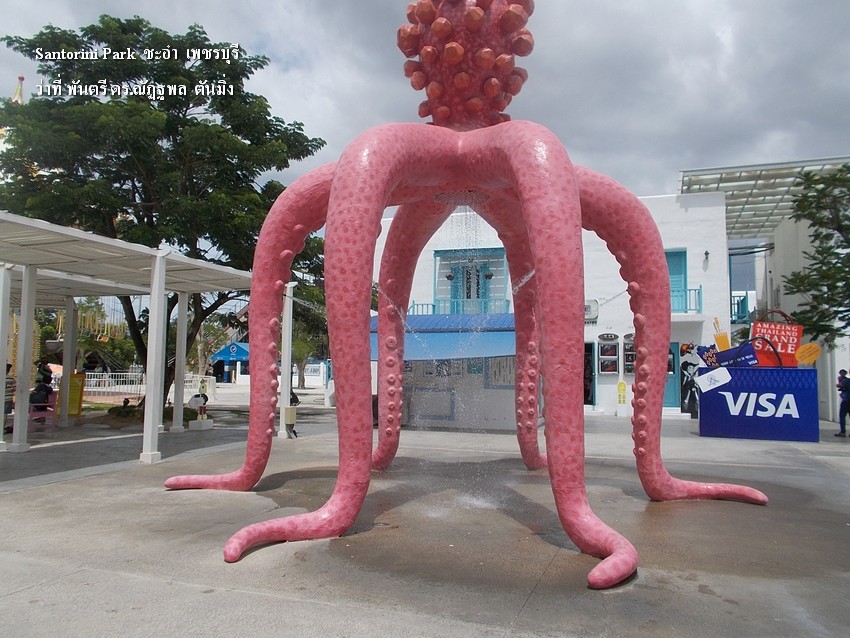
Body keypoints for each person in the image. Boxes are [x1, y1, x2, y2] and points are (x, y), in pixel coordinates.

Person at [836, 369, 850, 437]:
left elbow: (838, 385)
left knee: (842, 416)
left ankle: (843, 432)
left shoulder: (846, 381)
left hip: (846, 400)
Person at [4, 363, 15, 434]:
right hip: (8, 398)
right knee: (5, 414)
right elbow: (15, 388)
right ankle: (2, 428)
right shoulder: (11, 379)